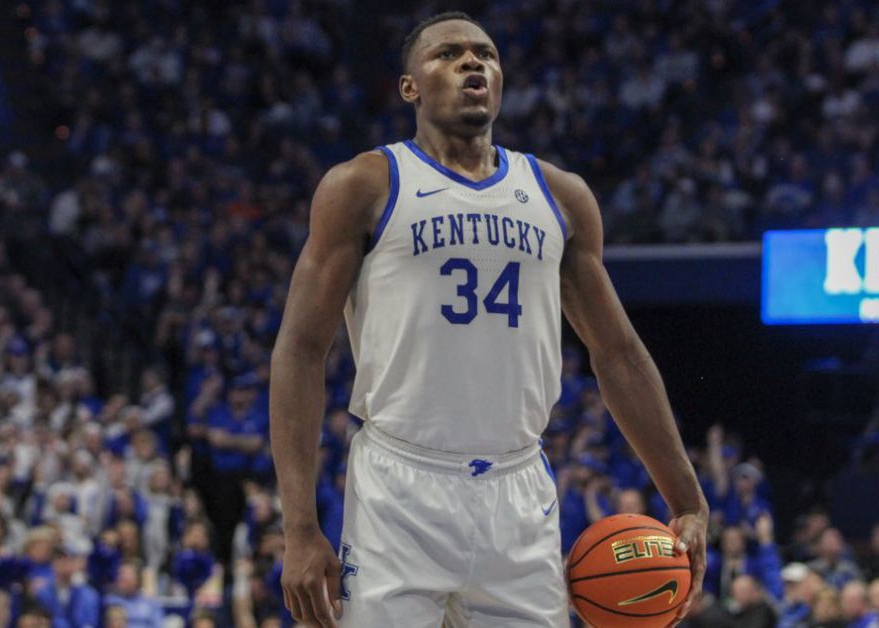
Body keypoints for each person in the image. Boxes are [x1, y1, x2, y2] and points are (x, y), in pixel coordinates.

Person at [269, 11, 708, 627]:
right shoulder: (364, 184)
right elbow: (299, 349)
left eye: (485, 54)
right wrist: (298, 526)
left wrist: (686, 499)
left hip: (518, 487)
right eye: (448, 53)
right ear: (409, 87)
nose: (472, 62)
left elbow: (619, 354)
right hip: (399, 485)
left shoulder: (560, 195)